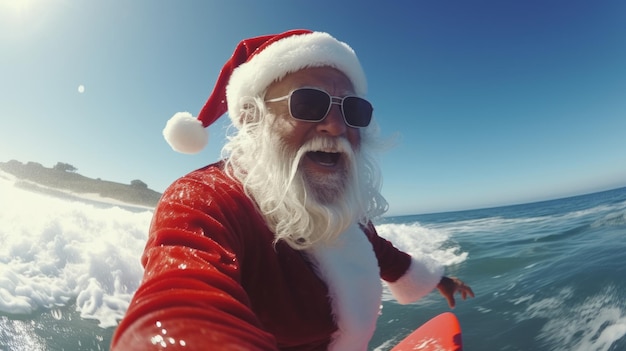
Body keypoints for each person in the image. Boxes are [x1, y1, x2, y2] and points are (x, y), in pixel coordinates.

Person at [111, 29, 474, 351]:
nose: (335, 125)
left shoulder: (340, 208)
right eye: (309, 104)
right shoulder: (205, 199)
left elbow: (379, 253)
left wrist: (437, 279)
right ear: (254, 119)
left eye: (353, 110)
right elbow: (179, 300)